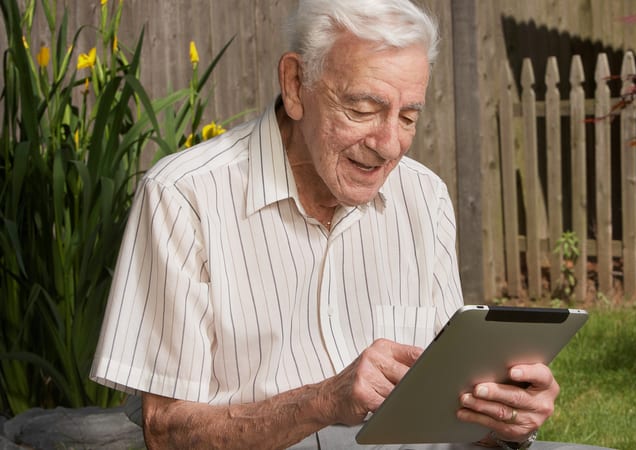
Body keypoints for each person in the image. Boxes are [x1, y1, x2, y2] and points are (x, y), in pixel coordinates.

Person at [90, 1, 564, 448]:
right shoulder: (184, 195)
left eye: (408, 117)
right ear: (296, 85)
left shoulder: (425, 196)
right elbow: (166, 432)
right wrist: (323, 402)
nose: (389, 144)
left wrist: (506, 422)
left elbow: (445, 412)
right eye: (362, 109)